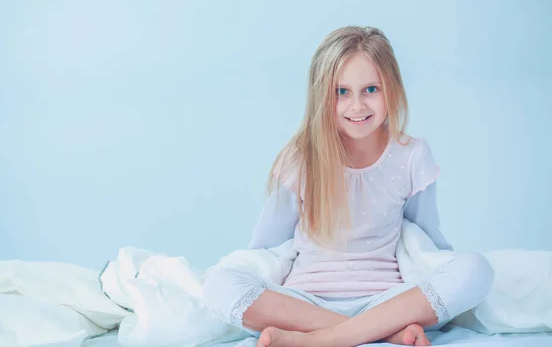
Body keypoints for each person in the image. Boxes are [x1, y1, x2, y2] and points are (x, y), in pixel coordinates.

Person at [203, 26, 493, 347]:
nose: (357, 105)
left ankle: (320, 340)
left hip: (386, 301)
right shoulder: (300, 158)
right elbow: (267, 246)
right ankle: (367, 333)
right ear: (321, 96)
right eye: (342, 92)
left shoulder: (411, 155)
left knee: (477, 270)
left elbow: (426, 240)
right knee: (219, 283)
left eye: (371, 89)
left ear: (392, 89)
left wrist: (447, 279)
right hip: (304, 302)